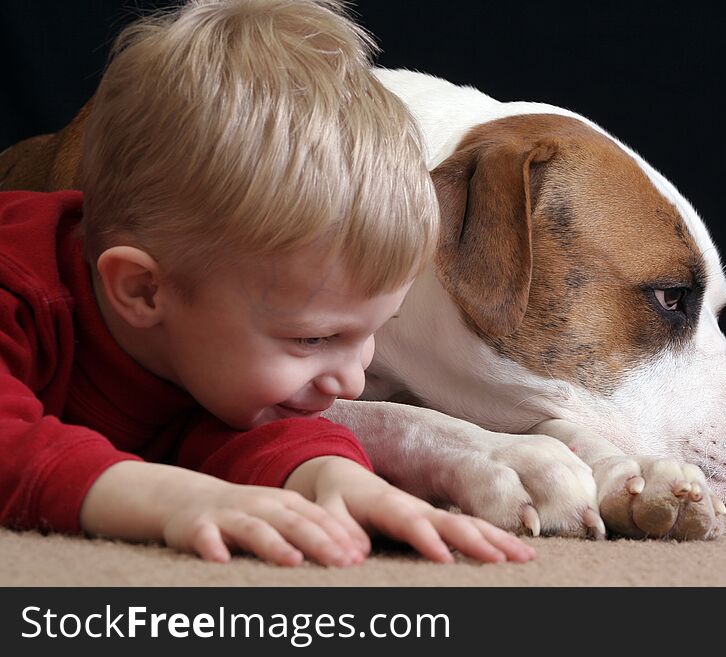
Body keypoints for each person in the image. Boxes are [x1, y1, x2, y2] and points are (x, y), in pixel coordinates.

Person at [0, 0, 535, 567]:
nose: (353, 383)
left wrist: (334, 476)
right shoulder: (21, 293)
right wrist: (170, 498)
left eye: (375, 330)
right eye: (313, 339)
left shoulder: (203, 328)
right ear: (142, 291)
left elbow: (234, 432)